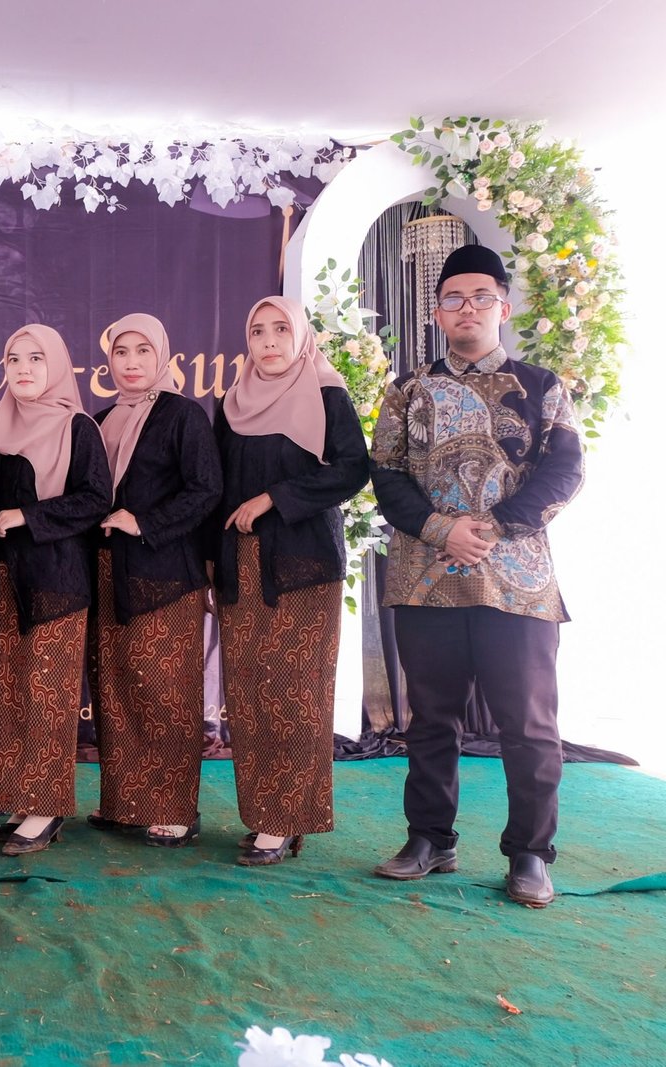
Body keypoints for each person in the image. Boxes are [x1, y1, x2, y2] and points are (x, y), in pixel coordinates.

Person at [370, 244, 584, 908]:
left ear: (503, 307)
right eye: (454, 299)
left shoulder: (542, 386)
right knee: (430, 719)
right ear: (437, 312)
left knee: (528, 723)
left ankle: (530, 853)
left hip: (515, 581)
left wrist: (490, 528)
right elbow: (386, 475)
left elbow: (566, 471)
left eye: (481, 297)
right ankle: (430, 839)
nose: (468, 308)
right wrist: (443, 529)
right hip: (426, 577)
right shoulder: (407, 389)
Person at [213, 296, 369, 866]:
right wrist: (211, 560)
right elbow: (216, 489)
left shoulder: (326, 395)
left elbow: (353, 468)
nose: (270, 341)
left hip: (303, 564)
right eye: (258, 331)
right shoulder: (232, 403)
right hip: (240, 565)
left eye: (281, 329)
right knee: (249, 691)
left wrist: (275, 498)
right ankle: (264, 814)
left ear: (300, 335)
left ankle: (285, 819)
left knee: (295, 691)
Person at [0, 324, 111, 856]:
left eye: (35, 358)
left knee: (46, 696)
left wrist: (28, 516)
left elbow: (95, 498)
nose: (24, 368)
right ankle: (18, 799)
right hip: (2, 583)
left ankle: (47, 808)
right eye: (14, 359)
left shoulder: (77, 427)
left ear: (55, 365)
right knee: (8, 692)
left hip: (55, 582)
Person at [89, 313, 222, 847]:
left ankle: (174, 808)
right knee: (116, 687)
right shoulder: (101, 419)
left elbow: (206, 489)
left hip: (165, 573)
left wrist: (145, 522)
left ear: (163, 356)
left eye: (143, 351)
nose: (131, 362)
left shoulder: (182, 415)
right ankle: (125, 803)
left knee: (165, 692)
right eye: (121, 352)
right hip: (109, 572)